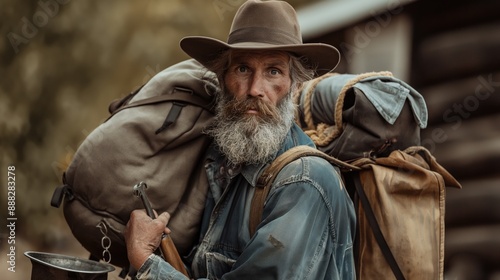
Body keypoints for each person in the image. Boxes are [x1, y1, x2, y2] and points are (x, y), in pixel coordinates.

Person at [125, 1, 356, 279]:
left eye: (273, 71)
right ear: (223, 79)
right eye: (243, 69)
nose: (255, 89)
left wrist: (145, 260)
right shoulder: (223, 160)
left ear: (293, 86)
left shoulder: (304, 183)